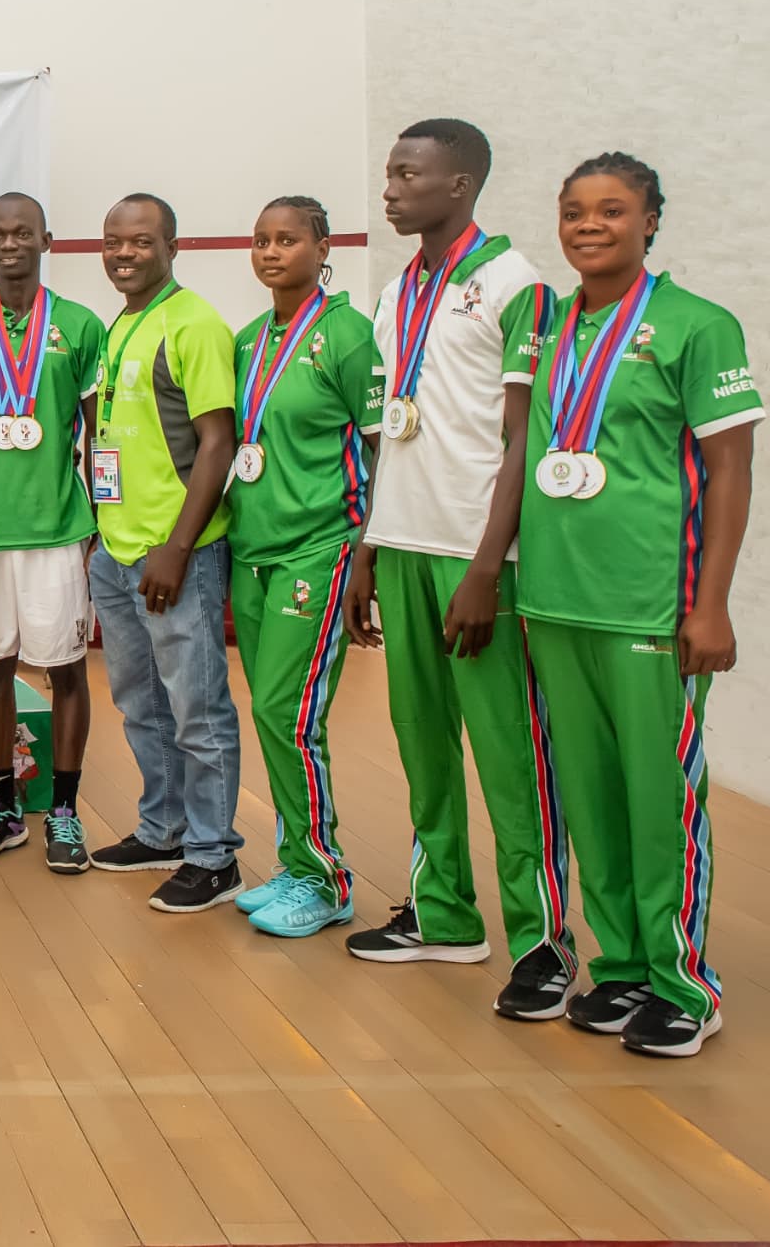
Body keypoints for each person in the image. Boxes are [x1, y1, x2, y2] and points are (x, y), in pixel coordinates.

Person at [516, 154, 758, 1058]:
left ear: (651, 220)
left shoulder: (698, 326)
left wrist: (712, 604)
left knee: (662, 798)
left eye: (612, 211)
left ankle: (684, 982)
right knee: (589, 796)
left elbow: (730, 471)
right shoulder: (546, 330)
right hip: (556, 600)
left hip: (652, 605)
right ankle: (620, 964)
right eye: (574, 210)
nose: (589, 225)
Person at [346, 118, 578, 1022]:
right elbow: (391, 434)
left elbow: (526, 434)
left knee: (511, 757)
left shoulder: (515, 285)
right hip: (402, 546)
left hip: (480, 560)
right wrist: (368, 548)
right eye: (391, 171)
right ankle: (443, 912)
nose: (392, 187)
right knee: (423, 745)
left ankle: (543, 944)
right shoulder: (400, 287)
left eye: (410, 174)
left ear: (463, 184)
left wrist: (490, 566)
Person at [0, 192, 107, 870]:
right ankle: (1, 806)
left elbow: (103, 432)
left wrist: (102, 517)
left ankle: (62, 813)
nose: (10, 244)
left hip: (56, 526)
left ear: (46, 241)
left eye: (23, 233)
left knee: (65, 668)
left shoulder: (81, 326)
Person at [224, 198, 381, 938]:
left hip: (318, 552)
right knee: (270, 713)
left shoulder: (347, 336)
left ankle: (328, 878)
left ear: (323, 248)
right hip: (252, 553)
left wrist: (364, 555)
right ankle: (296, 860)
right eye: (261, 240)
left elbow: (385, 451)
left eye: (288, 239)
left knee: (289, 713)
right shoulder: (252, 339)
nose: (271, 251)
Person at [87, 193, 245, 913]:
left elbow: (219, 441)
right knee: (140, 703)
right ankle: (164, 829)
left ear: (173, 245)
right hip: (117, 551)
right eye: (114, 242)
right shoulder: (122, 324)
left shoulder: (195, 324)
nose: (124, 254)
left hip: (175, 553)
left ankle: (213, 855)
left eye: (141, 242)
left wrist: (177, 547)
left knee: (196, 707)